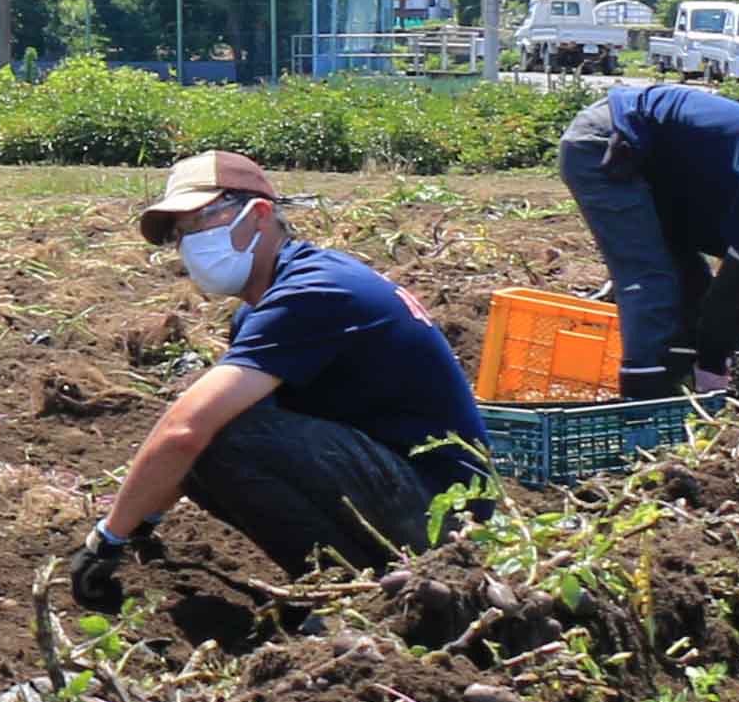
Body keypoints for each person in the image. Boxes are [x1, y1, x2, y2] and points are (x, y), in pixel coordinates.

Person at [68, 153, 486, 605]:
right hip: (402, 489)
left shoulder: (313, 293)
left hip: (449, 517)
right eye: (179, 233)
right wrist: (143, 524)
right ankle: (355, 586)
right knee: (217, 434)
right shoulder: (265, 305)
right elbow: (192, 440)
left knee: (220, 430)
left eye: (202, 220)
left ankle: (353, 597)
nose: (190, 243)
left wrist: (109, 537)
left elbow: (186, 430)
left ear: (260, 214)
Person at [553, 77, 739, 396]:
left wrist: (715, 360)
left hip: (652, 158)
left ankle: (678, 385)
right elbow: (730, 295)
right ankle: (643, 400)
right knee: (650, 278)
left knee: (692, 282)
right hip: (607, 142)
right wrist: (713, 365)